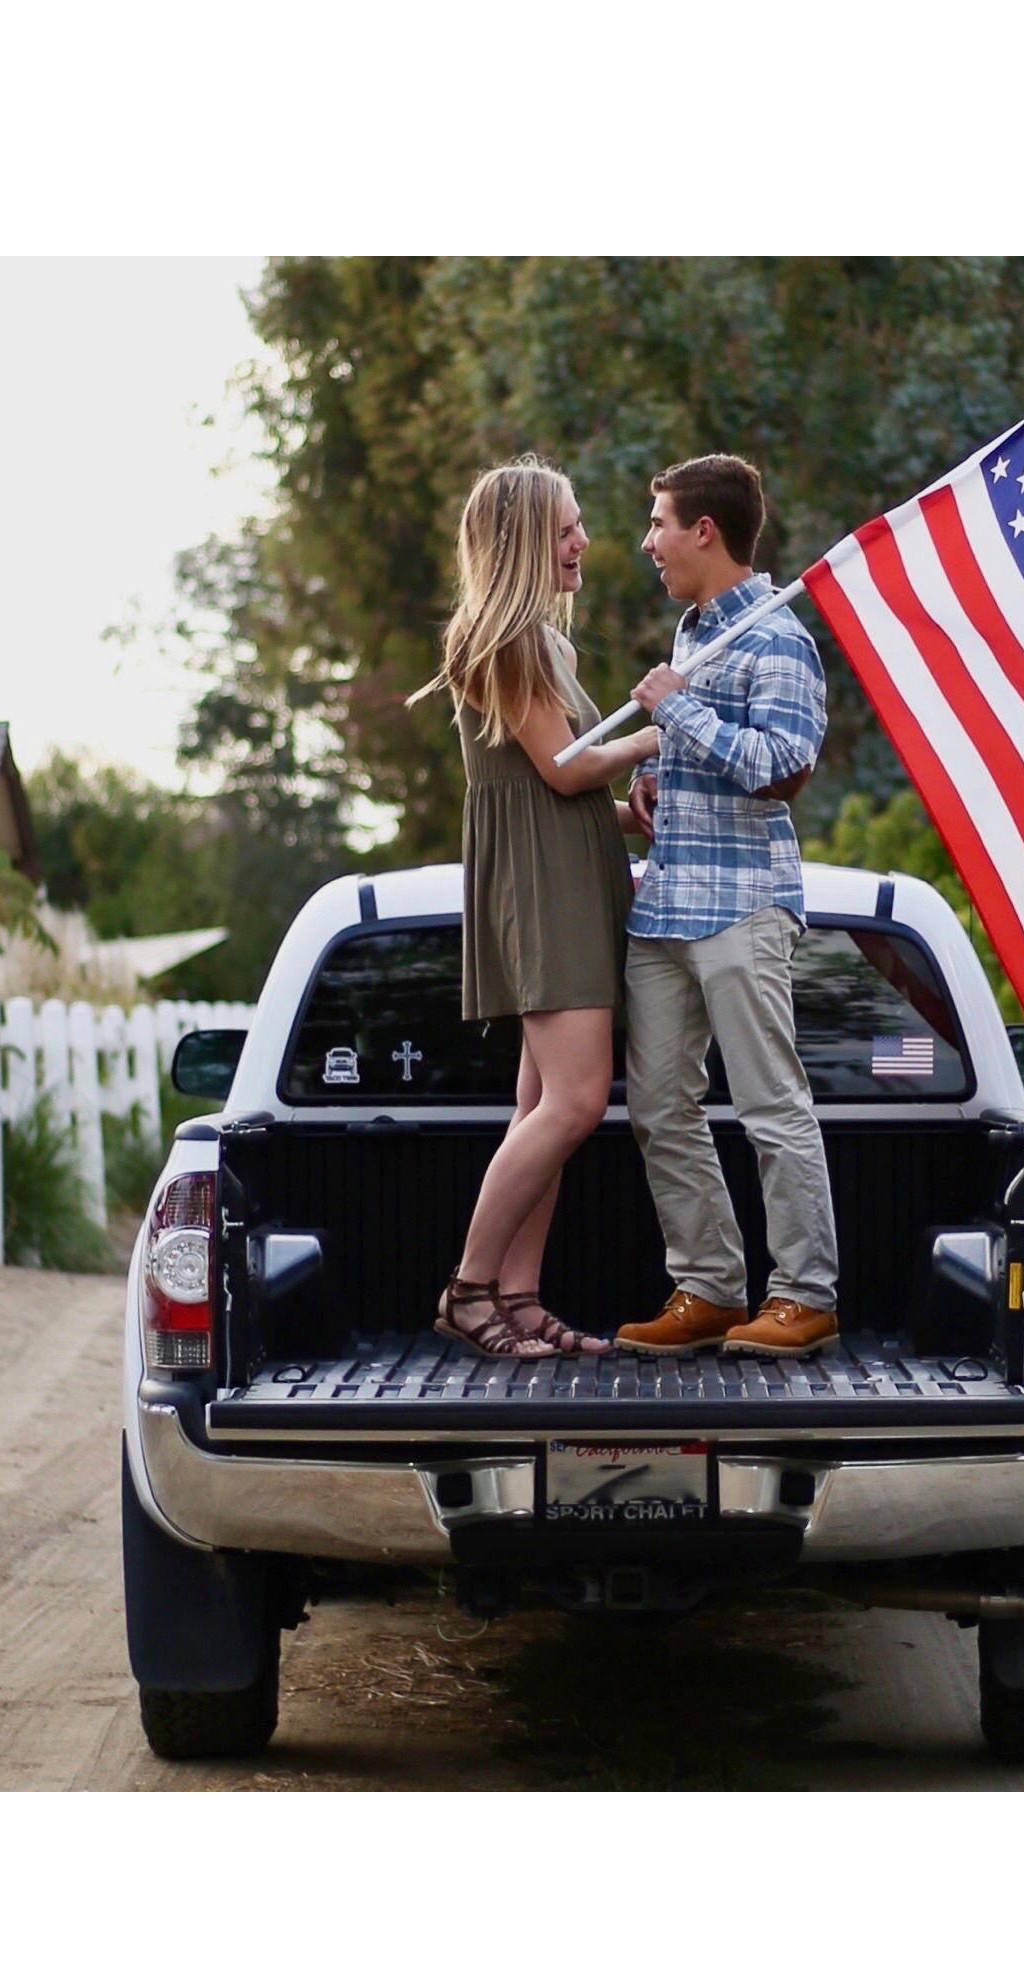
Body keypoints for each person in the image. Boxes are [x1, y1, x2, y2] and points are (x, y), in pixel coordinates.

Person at [406, 454, 661, 1358]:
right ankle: (468, 1291)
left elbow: (557, 787)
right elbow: (559, 768)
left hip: (568, 879)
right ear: (521, 541)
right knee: (578, 1103)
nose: (583, 541)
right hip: (542, 896)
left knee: (541, 1109)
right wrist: (654, 728)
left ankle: (520, 1298)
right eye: (565, 528)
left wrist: (627, 816)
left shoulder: (545, 644)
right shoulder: (501, 639)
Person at [613, 453, 838, 1358]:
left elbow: (783, 770)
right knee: (660, 1107)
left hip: (744, 907)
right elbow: (711, 767)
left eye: (659, 523)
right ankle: (707, 1288)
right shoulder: (693, 632)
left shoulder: (779, 638)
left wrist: (679, 714)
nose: (647, 542)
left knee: (770, 1106)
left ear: (704, 531)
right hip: (664, 908)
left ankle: (806, 1297)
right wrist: (652, 789)